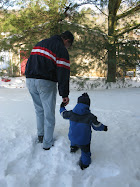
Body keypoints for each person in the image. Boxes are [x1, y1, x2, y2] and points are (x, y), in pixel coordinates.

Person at [25, 31, 74, 150]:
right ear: (67, 40)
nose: (68, 47)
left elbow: (29, 62)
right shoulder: (61, 49)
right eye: (69, 45)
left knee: (39, 110)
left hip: (30, 80)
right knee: (49, 114)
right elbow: (63, 72)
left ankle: (41, 135)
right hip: (45, 82)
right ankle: (47, 143)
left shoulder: (40, 43)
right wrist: (64, 94)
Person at [60, 93, 108, 170]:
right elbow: (97, 126)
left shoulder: (71, 113)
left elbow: (63, 114)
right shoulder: (90, 117)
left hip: (72, 137)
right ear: (88, 105)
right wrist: (104, 128)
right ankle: (84, 164)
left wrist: (62, 107)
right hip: (84, 141)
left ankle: (73, 148)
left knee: (74, 138)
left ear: (78, 103)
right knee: (86, 152)